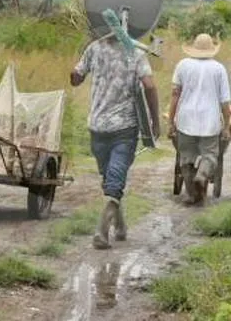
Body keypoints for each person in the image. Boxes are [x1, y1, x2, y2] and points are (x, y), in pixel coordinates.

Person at [70, 36, 160, 250]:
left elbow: (76, 78)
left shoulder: (94, 47)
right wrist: (154, 121)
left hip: (97, 126)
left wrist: (79, 69)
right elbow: (149, 85)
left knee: (110, 178)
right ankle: (102, 231)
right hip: (124, 127)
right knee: (114, 178)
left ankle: (119, 227)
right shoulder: (136, 53)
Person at [167, 33, 231, 205]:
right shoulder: (219, 69)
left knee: (186, 158)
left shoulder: (182, 65)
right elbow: (225, 102)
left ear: (194, 48)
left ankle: (190, 195)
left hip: (186, 119)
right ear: (211, 50)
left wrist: (170, 121)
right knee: (210, 156)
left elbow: (175, 95)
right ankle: (202, 174)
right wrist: (227, 126)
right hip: (210, 121)